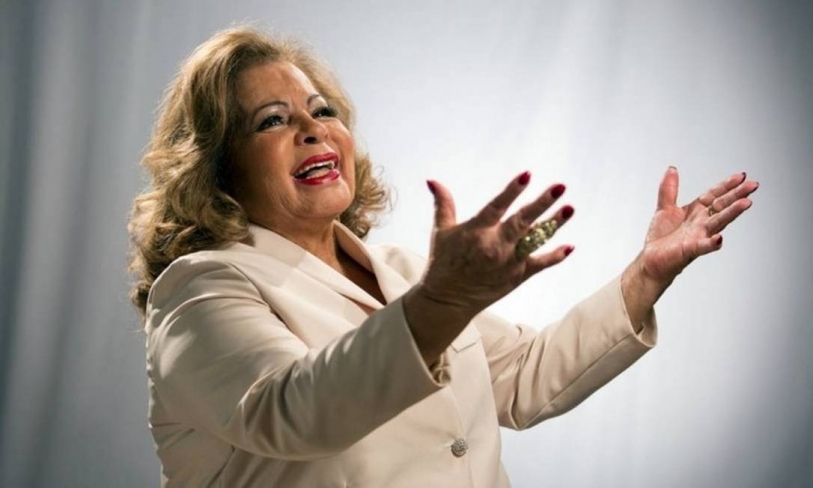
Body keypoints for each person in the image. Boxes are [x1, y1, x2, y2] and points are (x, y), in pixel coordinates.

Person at [128, 26, 758, 487]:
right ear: (216, 166)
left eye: (322, 111)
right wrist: (441, 302)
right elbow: (297, 412)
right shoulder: (198, 288)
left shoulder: (403, 272)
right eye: (272, 121)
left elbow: (526, 377)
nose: (313, 129)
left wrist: (647, 274)